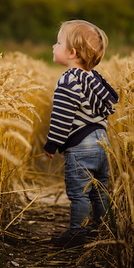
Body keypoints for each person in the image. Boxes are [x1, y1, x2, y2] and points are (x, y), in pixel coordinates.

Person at [44, 20, 119, 248]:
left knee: (79, 193)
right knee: (99, 189)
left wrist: (52, 143)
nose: (53, 47)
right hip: (102, 144)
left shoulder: (68, 80)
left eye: (58, 43)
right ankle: (102, 227)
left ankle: (77, 233)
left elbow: (62, 116)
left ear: (72, 52)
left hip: (81, 146)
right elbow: (108, 105)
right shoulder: (95, 79)